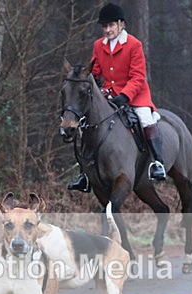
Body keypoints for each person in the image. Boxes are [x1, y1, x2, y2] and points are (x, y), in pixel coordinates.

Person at [68, 2, 166, 193]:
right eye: (104, 26)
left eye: (111, 25)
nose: (107, 30)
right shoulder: (98, 45)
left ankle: (157, 163)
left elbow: (138, 77)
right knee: (86, 124)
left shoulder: (134, 45)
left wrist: (124, 96)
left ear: (121, 24)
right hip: (109, 95)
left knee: (146, 119)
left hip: (136, 95)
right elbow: (95, 71)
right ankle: (85, 174)